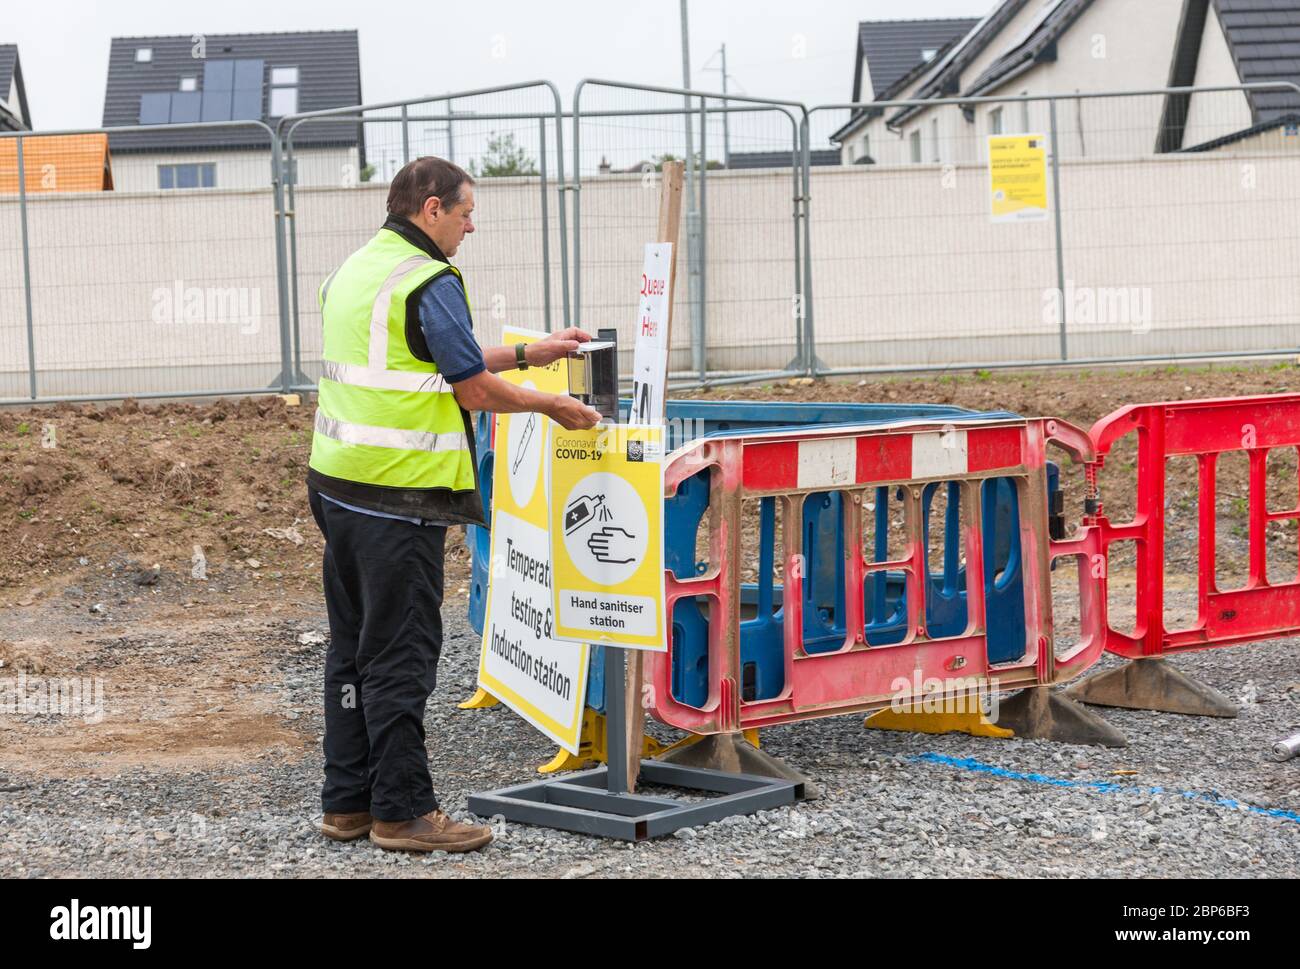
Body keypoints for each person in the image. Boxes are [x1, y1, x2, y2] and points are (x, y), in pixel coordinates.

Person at [305, 156, 601, 853]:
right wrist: (551, 403)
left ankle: (345, 802)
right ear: (430, 208)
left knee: (352, 647)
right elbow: (468, 386)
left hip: (337, 485)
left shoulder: (358, 267)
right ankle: (403, 812)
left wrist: (532, 350)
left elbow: (440, 356)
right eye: (466, 212)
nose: (473, 224)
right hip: (398, 494)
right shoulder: (429, 279)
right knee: (401, 653)